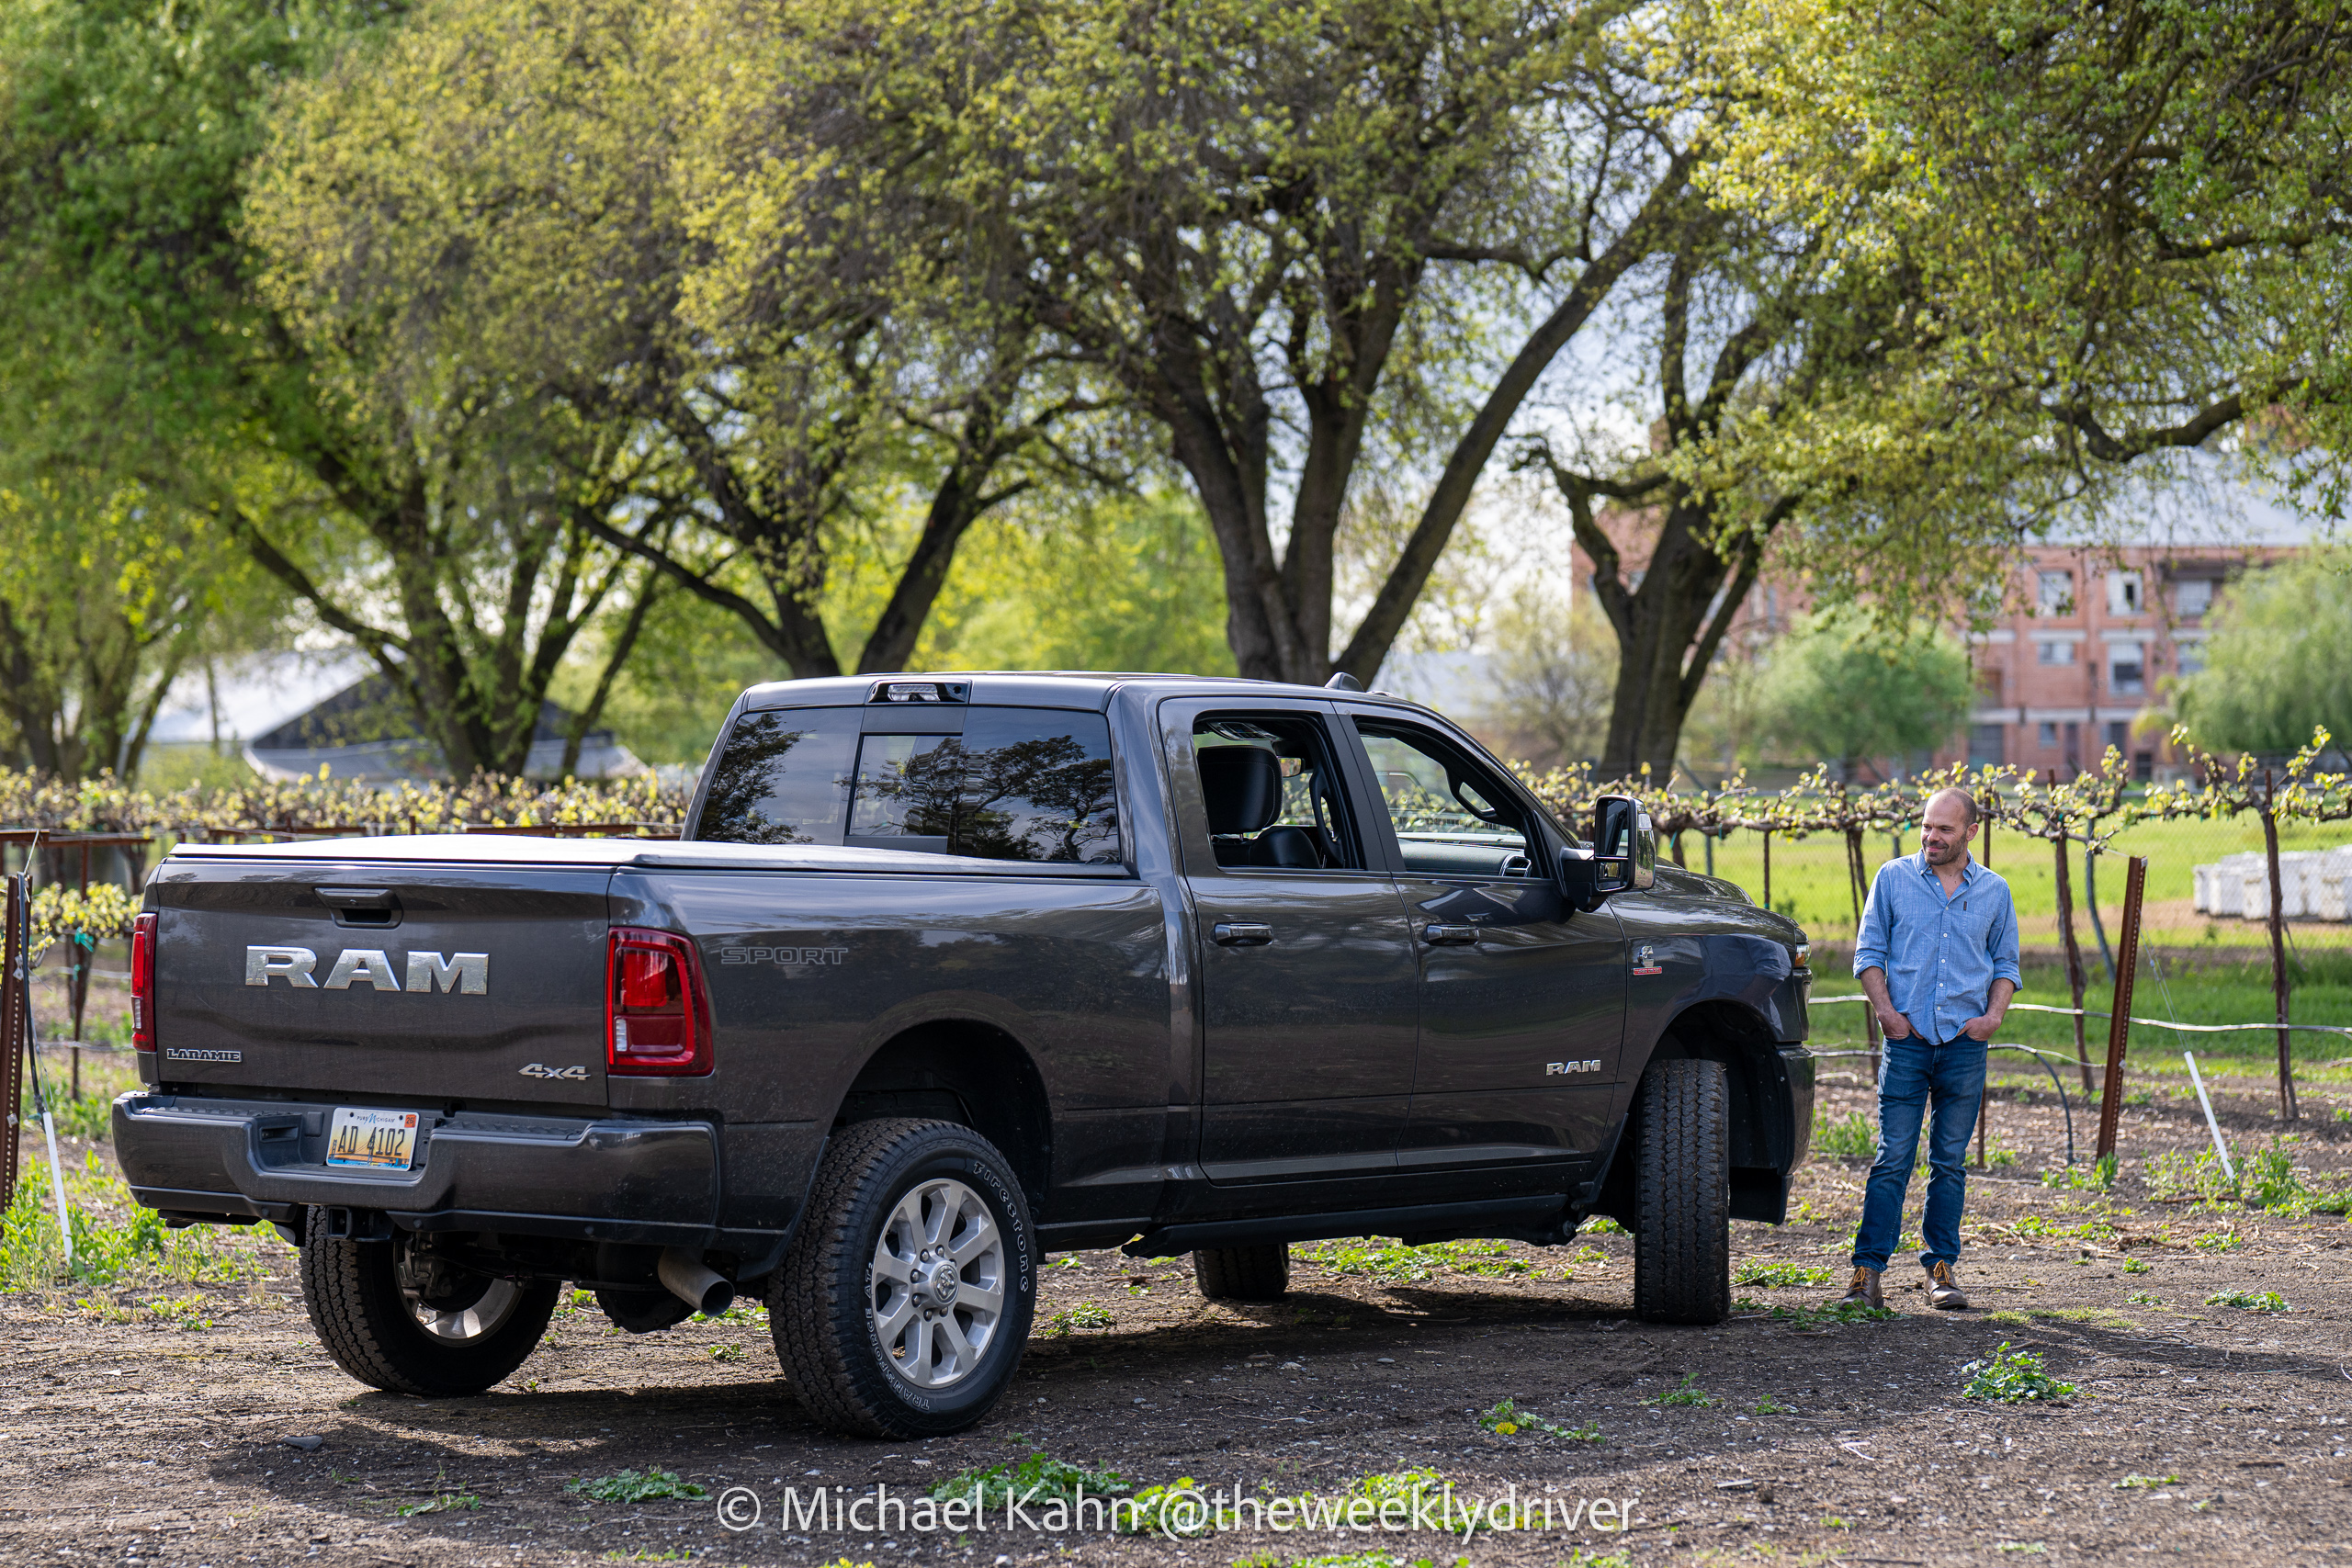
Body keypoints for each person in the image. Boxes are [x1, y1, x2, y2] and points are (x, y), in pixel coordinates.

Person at [1834, 786, 2019, 1312]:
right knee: (1893, 1158)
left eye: (1944, 829)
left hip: (1965, 1045)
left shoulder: (1994, 891)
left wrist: (1992, 1019)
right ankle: (1866, 1274)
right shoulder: (1892, 879)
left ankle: (1941, 1268)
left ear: (1970, 833)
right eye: (1927, 826)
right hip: (1908, 1041)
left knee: (1950, 1162)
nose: (1931, 837)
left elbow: (2006, 966)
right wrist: (1888, 1016)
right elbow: (1868, 953)